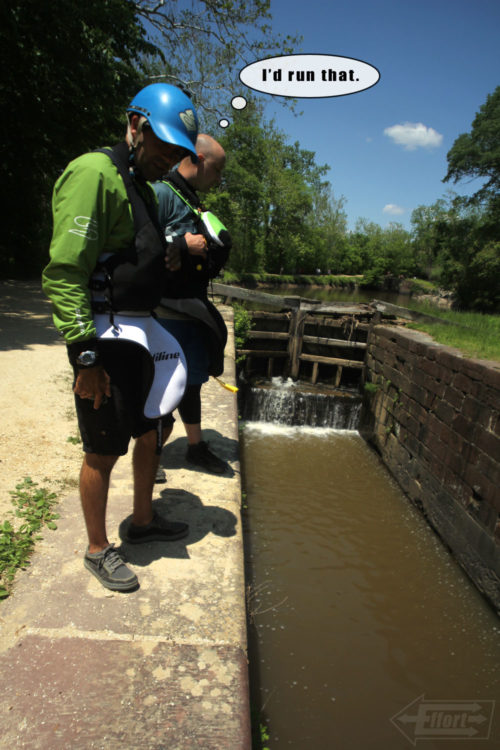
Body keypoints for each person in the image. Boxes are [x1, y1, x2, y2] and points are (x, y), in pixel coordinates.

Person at [42, 83, 199, 592]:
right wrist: (86, 358)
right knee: (102, 446)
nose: (170, 159)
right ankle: (96, 547)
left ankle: (143, 522)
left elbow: (138, 254)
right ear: (136, 125)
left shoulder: (147, 191)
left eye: (180, 153)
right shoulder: (94, 173)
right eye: (166, 147)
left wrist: (168, 257)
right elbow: (66, 272)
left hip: (144, 331)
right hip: (104, 338)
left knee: (152, 429)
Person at [153, 134, 232, 477]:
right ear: (198, 159)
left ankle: (196, 447)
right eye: (217, 170)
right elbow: (135, 244)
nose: (218, 179)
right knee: (163, 386)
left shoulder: (191, 200)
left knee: (195, 380)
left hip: (191, 309)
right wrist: (180, 243)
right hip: (165, 313)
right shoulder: (160, 194)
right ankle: (150, 457)